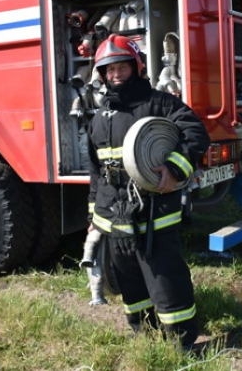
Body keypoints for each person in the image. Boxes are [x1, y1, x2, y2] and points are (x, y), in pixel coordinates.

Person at [86, 34, 210, 351]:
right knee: (128, 275)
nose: (115, 75)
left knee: (164, 275)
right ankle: (145, 334)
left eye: (122, 67)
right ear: (101, 74)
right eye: (108, 70)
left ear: (136, 67)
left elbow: (196, 133)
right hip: (115, 213)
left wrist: (175, 169)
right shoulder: (100, 118)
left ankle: (182, 343)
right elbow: (96, 171)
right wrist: (95, 218)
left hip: (155, 209)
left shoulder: (159, 103)